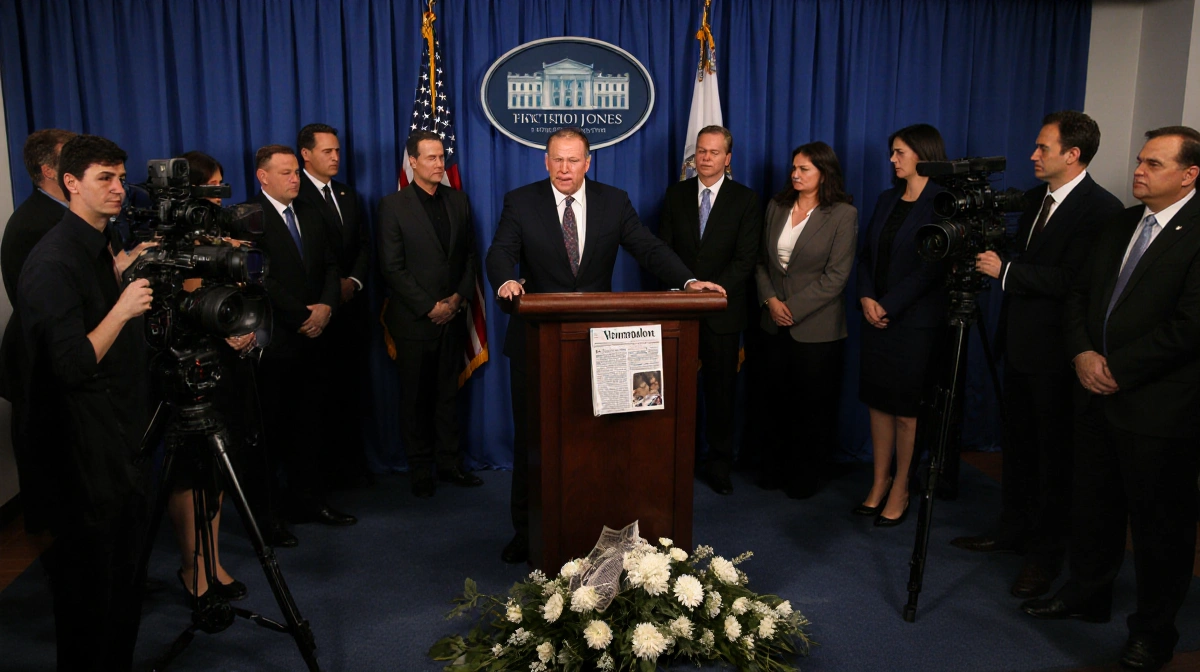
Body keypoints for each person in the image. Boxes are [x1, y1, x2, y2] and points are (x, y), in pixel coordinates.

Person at [485, 127, 725, 564]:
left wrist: (688, 281)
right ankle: (527, 530)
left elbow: (648, 248)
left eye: (573, 160)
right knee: (532, 442)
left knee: (596, 442)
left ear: (588, 163)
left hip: (598, 347)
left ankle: (593, 527)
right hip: (536, 345)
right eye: (557, 159)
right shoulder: (521, 201)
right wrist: (505, 280)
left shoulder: (613, 201)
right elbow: (500, 251)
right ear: (545, 161)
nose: (564, 169)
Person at [1021, 126, 1200, 672]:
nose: (1138, 170)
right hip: (1094, 394)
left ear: (1190, 175)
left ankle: (1154, 632)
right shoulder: (1122, 222)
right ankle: (1087, 595)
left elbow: (1190, 326)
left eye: (1154, 164)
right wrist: (1081, 353)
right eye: (1140, 160)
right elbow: (1080, 294)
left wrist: (1116, 368)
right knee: (1093, 508)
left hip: (1159, 408)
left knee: (1159, 530)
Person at [950, 112, 1123, 600]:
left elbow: (1076, 281)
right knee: (1019, 450)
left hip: (1058, 356)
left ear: (1073, 154)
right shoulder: (1032, 200)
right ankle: (1012, 531)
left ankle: (1044, 558)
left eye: (1043, 147)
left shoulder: (1101, 210)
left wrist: (1005, 272)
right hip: (1019, 347)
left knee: (1053, 462)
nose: (1033, 155)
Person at [18, 134, 154, 670]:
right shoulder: (53, 260)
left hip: (117, 437)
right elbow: (71, 365)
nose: (119, 188)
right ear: (70, 183)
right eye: (105, 178)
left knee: (123, 582)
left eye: (120, 177)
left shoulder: (100, 243)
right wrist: (122, 309)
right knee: (89, 596)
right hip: (81, 455)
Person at [250, 144, 355, 547]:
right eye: (286, 173)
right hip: (277, 341)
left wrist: (326, 307)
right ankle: (270, 516)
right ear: (263, 177)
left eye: (296, 171)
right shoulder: (249, 218)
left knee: (311, 426)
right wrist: (302, 316)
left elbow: (330, 265)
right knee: (272, 432)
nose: (296, 179)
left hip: (316, 338)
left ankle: (309, 501)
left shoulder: (310, 212)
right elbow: (260, 278)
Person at [162, 151, 255, 602]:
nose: (219, 193)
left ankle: (212, 561)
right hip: (188, 365)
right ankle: (191, 566)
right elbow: (187, 305)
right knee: (189, 473)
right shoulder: (171, 242)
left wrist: (243, 327)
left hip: (224, 366)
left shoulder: (219, 232)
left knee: (216, 471)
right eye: (212, 185)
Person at [378, 130, 483, 498]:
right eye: (431, 158)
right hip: (414, 321)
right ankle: (420, 469)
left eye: (442, 157)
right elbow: (392, 267)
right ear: (413, 162)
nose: (440, 164)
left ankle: (450, 464)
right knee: (415, 399)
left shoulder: (459, 200)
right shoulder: (393, 205)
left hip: (453, 316)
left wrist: (456, 300)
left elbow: (469, 256)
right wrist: (429, 306)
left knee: (447, 396)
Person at [658, 125, 762, 495]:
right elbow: (663, 251)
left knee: (721, 394)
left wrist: (711, 293)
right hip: (680, 311)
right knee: (676, 393)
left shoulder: (745, 200)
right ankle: (677, 461)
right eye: (701, 151)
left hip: (723, 312)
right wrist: (686, 289)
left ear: (727, 158)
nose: (705, 158)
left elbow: (746, 259)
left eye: (714, 152)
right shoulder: (675, 195)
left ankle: (719, 465)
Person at [854, 123, 948, 526]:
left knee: (907, 411)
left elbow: (931, 269)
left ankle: (902, 487)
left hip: (914, 323)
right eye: (892, 152)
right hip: (875, 318)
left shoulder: (942, 203)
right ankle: (880, 481)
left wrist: (887, 305)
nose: (892, 160)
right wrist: (866, 298)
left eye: (899, 153)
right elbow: (865, 256)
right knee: (878, 404)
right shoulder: (886, 198)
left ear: (923, 154)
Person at [754, 141, 858, 500]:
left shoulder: (843, 214)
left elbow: (836, 277)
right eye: (794, 168)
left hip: (817, 329)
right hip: (772, 323)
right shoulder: (777, 205)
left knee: (810, 408)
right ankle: (772, 471)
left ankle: (803, 478)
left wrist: (791, 308)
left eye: (804, 169)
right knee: (773, 402)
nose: (795, 175)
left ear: (824, 173)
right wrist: (771, 301)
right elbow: (760, 262)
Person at [0, 128, 75, 531]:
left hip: (56, 354)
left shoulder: (63, 216)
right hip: (39, 360)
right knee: (53, 471)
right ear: (48, 170)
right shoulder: (36, 223)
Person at [294, 123, 373, 488]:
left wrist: (352, 282)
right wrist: (330, 291)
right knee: (317, 398)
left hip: (351, 309)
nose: (336, 157)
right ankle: (322, 476)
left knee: (351, 392)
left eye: (338, 150)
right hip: (315, 312)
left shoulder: (348, 194)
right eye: (327, 151)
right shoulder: (295, 196)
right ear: (306, 154)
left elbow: (363, 246)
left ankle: (351, 469)